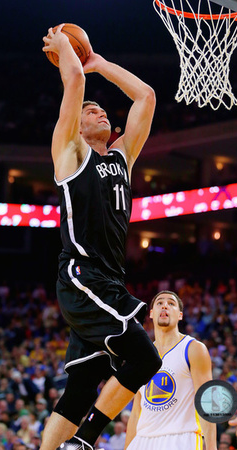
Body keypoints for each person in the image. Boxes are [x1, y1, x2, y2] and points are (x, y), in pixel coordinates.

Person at [41, 24, 161, 450]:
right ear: (78, 123)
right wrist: (65, 50)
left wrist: (100, 64)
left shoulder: (122, 157)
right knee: (146, 357)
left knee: (80, 388)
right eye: (90, 111)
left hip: (107, 281)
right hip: (82, 276)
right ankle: (86, 440)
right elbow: (73, 81)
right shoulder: (70, 153)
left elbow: (145, 96)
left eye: (102, 111)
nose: (100, 113)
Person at [124, 290, 217, 450]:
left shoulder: (193, 349)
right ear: (152, 314)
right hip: (142, 440)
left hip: (181, 438)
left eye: (171, 303)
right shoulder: (139, 356)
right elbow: (136, 411)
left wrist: (211, 447)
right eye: (159, 303)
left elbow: (206, 402)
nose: (165, 306)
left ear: (180, 315)